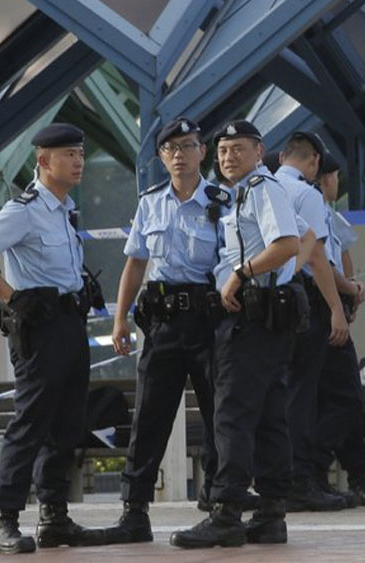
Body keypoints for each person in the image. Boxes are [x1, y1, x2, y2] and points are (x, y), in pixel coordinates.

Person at [0, 124, 107, 554]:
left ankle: (54, 517)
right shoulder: (23, 210)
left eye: (80, 153)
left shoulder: (65, 208)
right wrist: (11, 298)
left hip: (69, 322)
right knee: (30, 424)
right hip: (39, 328)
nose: (78, 161)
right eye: (68, 155)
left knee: (67, 423)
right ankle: (3, 520)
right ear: (43, 161)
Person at [170, 120, 302, 548]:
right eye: (224, 151)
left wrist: (239, 276)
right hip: (259, 315)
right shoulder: (240, 194)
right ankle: (270, 512)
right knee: (265, 414)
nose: (229, 158)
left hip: (251, 318)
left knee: (232, 414)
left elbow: (287, 244)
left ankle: (226, 511)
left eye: (239, 150)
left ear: (259, 152)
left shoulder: (263, 189)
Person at [103, 117, 225, 543]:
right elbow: (135, 261)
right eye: (171, 148)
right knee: (150, 416)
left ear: (202, 152)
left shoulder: (223, 200)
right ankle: (134, 510)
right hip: (163, 322)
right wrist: (119, 319)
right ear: (161, 156)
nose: (179, 155)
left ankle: (219, 501)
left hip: (210, 319)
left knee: (220, 414)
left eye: (188, 146)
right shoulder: (150, 202)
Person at [274, 131, 350, 512]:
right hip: (303, 300)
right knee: (303, 394)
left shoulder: (261, 187)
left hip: (268, 303)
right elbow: (317, 254)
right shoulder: (308, 194)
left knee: (281, 392)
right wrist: (337, 307)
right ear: (315, 161)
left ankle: (282, 477)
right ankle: (301, 479)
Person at [308, 153, 365, 507]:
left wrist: (347, 291)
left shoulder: (326, 212)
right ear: (325, 177)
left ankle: (349, 474)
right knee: (344, 396)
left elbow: (343, 252)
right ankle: (314, 466)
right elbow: (320, 260)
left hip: (331, 304)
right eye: (335, 177)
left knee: (339, 395)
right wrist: (348, 292)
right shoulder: (313, 208)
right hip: (320, 307)